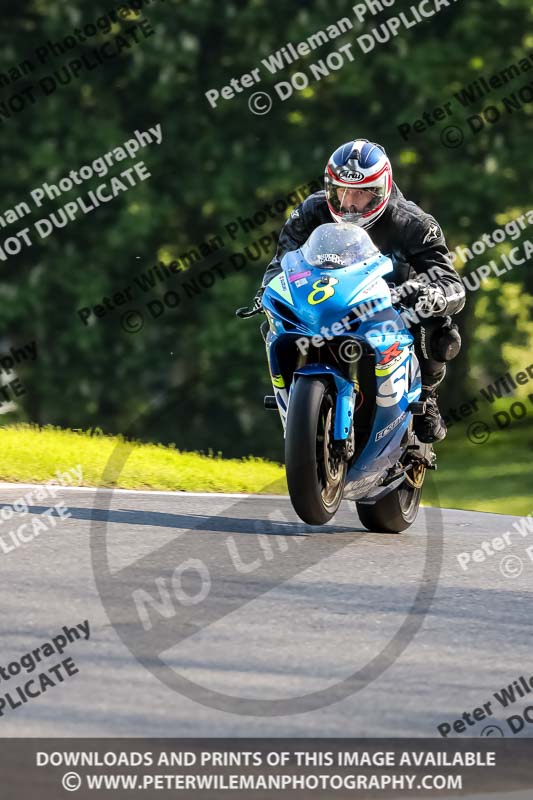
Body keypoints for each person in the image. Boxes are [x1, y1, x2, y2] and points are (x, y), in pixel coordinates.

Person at [254, 138, 465, 443]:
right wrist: (268, 290)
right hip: (328, 298)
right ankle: (294, 395)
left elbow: (451, 282)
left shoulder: (414, 223)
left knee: (440, 330)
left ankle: (427, 396)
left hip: (392, 303)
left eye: (362, 193)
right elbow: (281, 261)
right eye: (342, 191)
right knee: (275, 319)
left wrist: (433, 295)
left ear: (381, 190)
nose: (350, 203)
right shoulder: (311, 211)